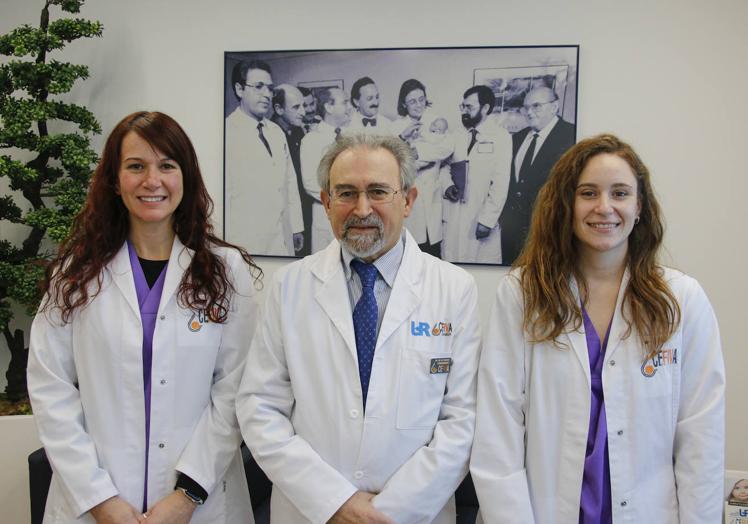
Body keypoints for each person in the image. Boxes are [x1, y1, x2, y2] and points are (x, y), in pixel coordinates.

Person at [471, 134, 725, 523]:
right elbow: (498, 432)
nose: (604, 207)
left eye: (620, 193)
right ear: (566, 205)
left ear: (639, 206)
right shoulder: (522, 295)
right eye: (588, 193)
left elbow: (701, 441)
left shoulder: (682, 300)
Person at [27, 112, 261, 523]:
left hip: (199, 502)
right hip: (95, 501)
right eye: (136, 166)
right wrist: (99, 499)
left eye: (166, 166)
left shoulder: (226, 271)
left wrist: (187, 495)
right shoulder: (75, 273)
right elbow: (51, 389)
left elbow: (235, 390)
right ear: (115, 181)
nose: (152, 181)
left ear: (185, 177)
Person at [237, 133, 481, 523]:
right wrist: (335, 503)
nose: (362, 208)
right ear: (326, 202)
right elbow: (260, 407)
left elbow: (462, 420)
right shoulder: (289, 286)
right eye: (346, 193)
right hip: (312, 510)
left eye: (379, 192)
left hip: (414, 514)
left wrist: (389, 512)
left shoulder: (454, 289)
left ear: (409, 200)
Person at [225, 59, 304, 256]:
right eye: (259, 87)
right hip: (245, 239)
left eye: (269, 88)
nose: (267, 94)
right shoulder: (226, 132)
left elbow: (290, 181)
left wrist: (296, 226)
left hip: (282, 235)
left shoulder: (276, 131)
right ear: (240, 89)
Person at [498, 85, 576, 265]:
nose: (529, 112)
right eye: (526, 107)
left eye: (536, 106)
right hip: (512, 233)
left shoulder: (572, 136)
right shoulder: (516, 138)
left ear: (554, 107)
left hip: (550, 231)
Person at [441, 85, 511, 264]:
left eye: (469, 107)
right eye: (462, 106)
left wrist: (487, 220)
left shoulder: (501, 137)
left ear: (485, 108)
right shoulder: (456, 135)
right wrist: (448, 185)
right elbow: (444, 166)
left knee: (480, 269)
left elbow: (501, 183)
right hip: (454, 215)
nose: (464, 111)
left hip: (480, 216)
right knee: (451, 270)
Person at [299, 86, 353, 252]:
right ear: (329, 107)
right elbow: (309, 183)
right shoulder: (311, 140)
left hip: (353, 214)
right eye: (344, 102)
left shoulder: (352, 136)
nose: (349, 107)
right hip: (326, 215)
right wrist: (342, 198)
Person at [272, 84, 313, 256]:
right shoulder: (272, 135)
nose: (303, 112)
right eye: (296, 107)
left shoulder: (297, 132)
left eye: (303, 106)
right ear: (279, 109)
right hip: (282, 216)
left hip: (303, 208)